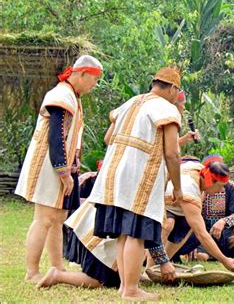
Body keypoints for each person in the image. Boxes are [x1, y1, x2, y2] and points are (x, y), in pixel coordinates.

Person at [86, 67, 184, 300]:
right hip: (138, 176)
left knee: (124, 233)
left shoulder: (131, 102)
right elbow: (172, 153)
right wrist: (177, 187)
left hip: (113, 174)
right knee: (136, 234)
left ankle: (124, 286)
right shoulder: (166, 108)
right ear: (172, 88)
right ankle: (130, 289)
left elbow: (108, 138)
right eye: (177, 91)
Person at [15, 55, 103, 283]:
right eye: (94, 80)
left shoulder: (72, 95)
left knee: (58, 219)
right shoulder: (62, 95)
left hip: (59, 166)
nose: (95, 85)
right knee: (44, 218)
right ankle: (32, 272)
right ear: (83, 73)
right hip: (49, 166)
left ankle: (57, 267)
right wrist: (64, 173)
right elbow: (56, 136)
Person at [147, 157, 234, 272]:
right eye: (220, 186)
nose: (222, 191)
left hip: (178, 204)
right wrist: (225, 260)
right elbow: (202, 234)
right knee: (168, 224)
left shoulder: (200, 169)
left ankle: (161, 266)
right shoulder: (190, 191)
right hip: (159, 199)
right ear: (210, 181)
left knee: (185, 227)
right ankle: (150, 269)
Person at [182, 155, 234, 261]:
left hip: (224, 233)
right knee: (201, 256)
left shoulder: (231, 187)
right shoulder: (197, 187)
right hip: (202, 231)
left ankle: (221, 255)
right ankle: (209, 255)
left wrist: (223, 221)